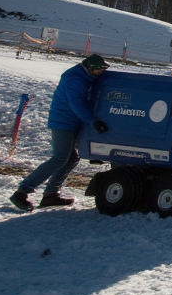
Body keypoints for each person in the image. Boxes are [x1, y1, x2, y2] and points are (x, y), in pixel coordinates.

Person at [9, 54, 111, 211]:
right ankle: (22, 192)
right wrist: (93, 121)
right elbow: (75, 104)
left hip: (71, 122)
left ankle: (51, 195)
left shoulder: (85, 77)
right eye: (100, 69)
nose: (102, 72)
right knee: (60, 157)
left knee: (71, 159)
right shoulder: (75, 79)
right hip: (63, 122)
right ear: (91, 68)